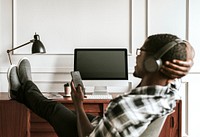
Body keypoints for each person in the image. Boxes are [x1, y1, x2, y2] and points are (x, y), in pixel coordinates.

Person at [7, 33, 194, 137]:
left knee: (53, 108)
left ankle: (23, 88)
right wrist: (186, 58)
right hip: (104, 127)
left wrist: (78, 103)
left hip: (90, 133)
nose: (136, 56)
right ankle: (21, 91)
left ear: (153, 63)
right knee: (58, 109)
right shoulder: (169, 91)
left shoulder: (124, 109)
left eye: (141, 51)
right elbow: (184, 54)